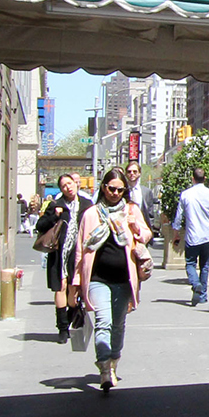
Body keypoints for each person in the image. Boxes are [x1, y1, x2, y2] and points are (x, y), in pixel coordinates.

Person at [70, 166, 152, 391]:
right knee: (103, 322)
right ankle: (104, 367)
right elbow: (80, 250)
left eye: (120, 190)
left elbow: (146, 234)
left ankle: (114, 360)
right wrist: (75, 283)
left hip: (124, 279)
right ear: (103, 188)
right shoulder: (91, 214)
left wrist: (136, 228)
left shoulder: (131, 211)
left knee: (118, 325)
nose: (115, 193)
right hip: (97, 278)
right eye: (111, 188)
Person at [34, 174, 90, 341]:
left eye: (70, 183)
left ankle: (71, 315)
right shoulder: (56, 205)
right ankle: (62, 329)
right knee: (60, 287)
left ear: (76, 184)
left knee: (73, 291)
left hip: (77, 253)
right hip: (59, 254)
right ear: (61, 189)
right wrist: (54, 216)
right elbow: (40, 226)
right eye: (64, 185)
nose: (68, 187)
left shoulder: (87, 205)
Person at [172, 165, 209, 306]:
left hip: (192, 236)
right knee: (205, 266)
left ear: (192, 179)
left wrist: (176, 234)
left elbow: (178, 217)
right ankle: (203, 295)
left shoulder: (185, 194)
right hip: (207, 236)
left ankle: (196, 285)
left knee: (190, 264)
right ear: (204, 179)